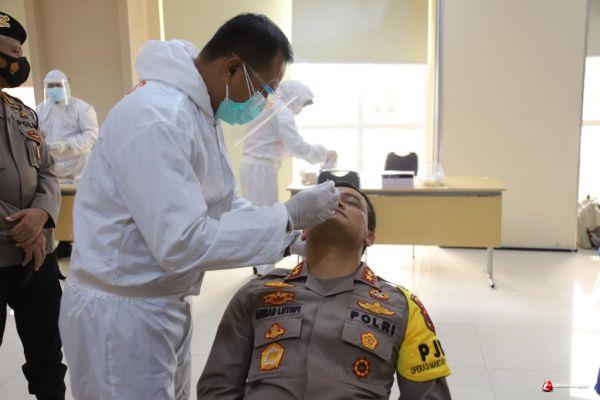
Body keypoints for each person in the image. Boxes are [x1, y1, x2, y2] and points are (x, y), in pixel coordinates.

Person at [59, 13, 340, 400]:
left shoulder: (199, 113)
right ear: (232, 68)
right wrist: (287, 215)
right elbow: (181, 242)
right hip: (120, 316)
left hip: (159, 302)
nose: (264, 102)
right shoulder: (157, 118)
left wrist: (288, 238)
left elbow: (222, 207)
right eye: (265, 90)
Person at [197, 182, 452, 400]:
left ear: (370, 236)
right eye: (325, 201)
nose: (337, 203)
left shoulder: (403, 307)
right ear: (303, 231)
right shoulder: (256, 293)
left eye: (351, 202)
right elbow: (218, 388)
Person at [0, 11, 67, 400]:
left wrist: (41, 214)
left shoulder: (23, 112)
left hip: (37, 257)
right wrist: (22, 229)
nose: (19, 59)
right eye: (12, 51)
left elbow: (48, 171)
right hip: (11, 247)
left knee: (48, 356)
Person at [240, 80, 336, 275]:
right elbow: (296, 147)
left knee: (258, 218)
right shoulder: (281, 111)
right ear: (295, 97)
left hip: (253, 167)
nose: (301, 109)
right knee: (267, 221)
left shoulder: (269, 106)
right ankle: (265, 273)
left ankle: (260, 268)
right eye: (302, 104)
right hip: (261, 169)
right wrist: (325, 153)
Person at [36, 69, 99, 259]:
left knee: (80, 208)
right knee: (58, 209)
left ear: (66, 85)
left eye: (58, 85)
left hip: (78, 167)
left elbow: (91, 134)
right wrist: (44, 147)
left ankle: (83, 246)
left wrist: (68, 145)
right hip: (52, 167)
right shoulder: (41, 110)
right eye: (51, 86)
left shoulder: (82, 108)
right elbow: (36, 134)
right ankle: (63, 243)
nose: (54, 89)